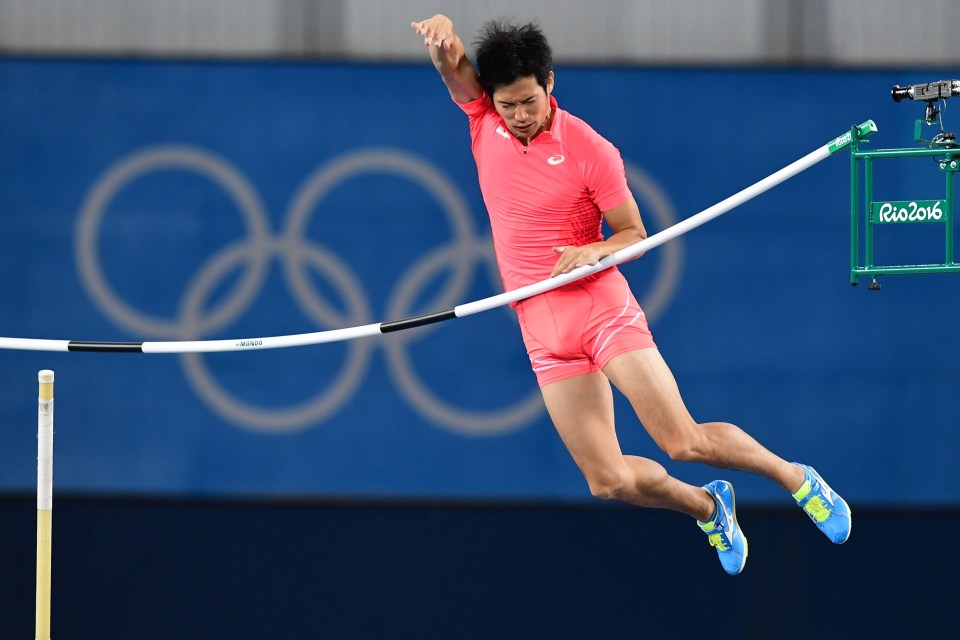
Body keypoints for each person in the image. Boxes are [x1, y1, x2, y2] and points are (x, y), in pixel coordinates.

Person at [410, 14, 850, 575]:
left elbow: (635, 235)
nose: (519, 117)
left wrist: (594, 250)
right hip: (540, 328)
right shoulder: (482, 119)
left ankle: (796, 478)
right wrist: (443, 36)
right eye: (508, 106)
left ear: (549, 84)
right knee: (607, 480)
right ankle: (708, 506)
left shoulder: (590, 148)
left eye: (528, 102)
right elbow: (452, 67)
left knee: (683, 442)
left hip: (598, 308)